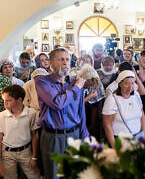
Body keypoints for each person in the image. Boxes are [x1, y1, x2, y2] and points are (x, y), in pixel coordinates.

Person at [35, 48, 89, 179]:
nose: (65, 63)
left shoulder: (75, 82)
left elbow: (81, 111)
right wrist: (76, 88)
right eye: (61, 59)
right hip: (53, 137)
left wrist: (84, 135)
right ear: (51, 62)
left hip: (74, 134)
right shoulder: (42, 82)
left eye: (67, 59)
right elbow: (57, 103)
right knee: (54, 174)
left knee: (74, 173)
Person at [0, 85, 40, 179]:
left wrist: (34, 157)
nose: (5, 103)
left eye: (9, 100)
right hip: (7, 153)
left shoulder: (31, 113)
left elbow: (34, 135)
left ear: (19, 100)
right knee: (9, 177)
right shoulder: (2, 116)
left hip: (25, 152)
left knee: (34, 176)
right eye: (4, 100)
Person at [102, 70, 145, 147]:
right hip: (120, 140)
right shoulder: (112, 99)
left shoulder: (136, 95)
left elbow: (142, 114)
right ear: (120, 84)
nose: (130, 87)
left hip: (137, 137)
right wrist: (115, 147)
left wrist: (143, 134)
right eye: (127, 83)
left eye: (132, 83)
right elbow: (107, 125)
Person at [77, 64, 105, 141]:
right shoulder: (76, 85)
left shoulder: (97, 84)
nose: (88, 88)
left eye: (90, 86)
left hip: (90, 113)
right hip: (78, 116)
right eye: (86, 86)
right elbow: (74, 105)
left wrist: (92, 125)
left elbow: (96, 106)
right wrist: (88, 97)